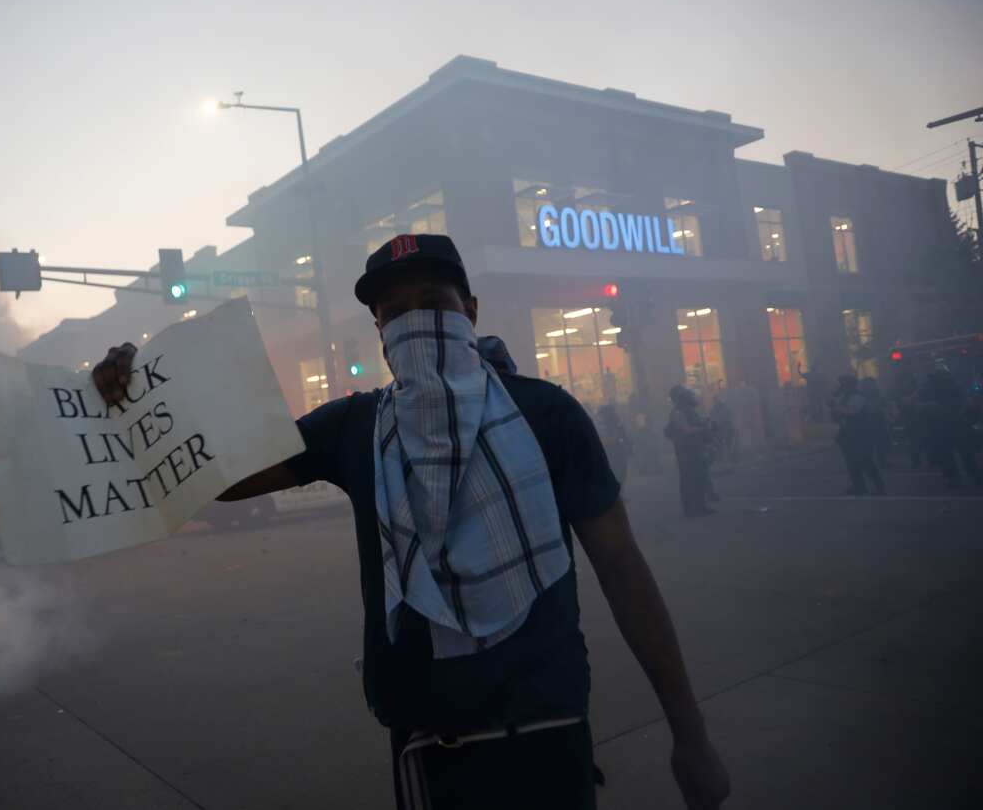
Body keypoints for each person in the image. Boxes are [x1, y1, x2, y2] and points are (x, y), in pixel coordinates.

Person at [93, 233, 729, 810]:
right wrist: (136, 400)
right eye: (395, 314)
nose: (415, 321)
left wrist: (690, 734)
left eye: (432, 301)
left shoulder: (547, 415)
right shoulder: (356, 425)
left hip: (548, 733)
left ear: (470, 310)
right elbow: (222, 479)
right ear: (379, 331)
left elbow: (624, 572)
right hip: (427, 747)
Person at [828, 375, 885, 495]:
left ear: (849, 385)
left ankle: (879, 486)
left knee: (865, 461)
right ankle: (859, 486)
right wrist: (833, 406)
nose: (841, 386)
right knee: (851, 463)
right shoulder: (843, 397)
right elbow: (836, 413)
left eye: (843, 384)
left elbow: (851, 411)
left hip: (861, 434)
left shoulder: (858, 397)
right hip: (847, 434)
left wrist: (836, 407)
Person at [665, 385, 716, 517]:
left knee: (699, 478)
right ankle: (691, 510)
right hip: (686, 451)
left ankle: (700, 506)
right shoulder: (678, 412)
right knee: (689, 480)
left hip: (694, 449)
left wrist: (704, 425)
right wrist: (702, 429)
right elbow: (685, 430)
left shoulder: (688, 410)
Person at [595, 403, 633, 488]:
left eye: (604, 414)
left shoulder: (617, 424)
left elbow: (623, 437)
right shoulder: (601, 425)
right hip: (610, 452)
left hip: (616, 451)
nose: (602, 416)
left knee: (618, 473)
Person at [858, 378, 891, 468]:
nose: (871, 386)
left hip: (878, 421)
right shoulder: (861, 395)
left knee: (880, 443)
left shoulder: (877, 394)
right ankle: (870, 462)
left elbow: (884, 406)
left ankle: (881, 461)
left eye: (872, 384)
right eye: (869, 384)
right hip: (867, 423)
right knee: (869, 444)